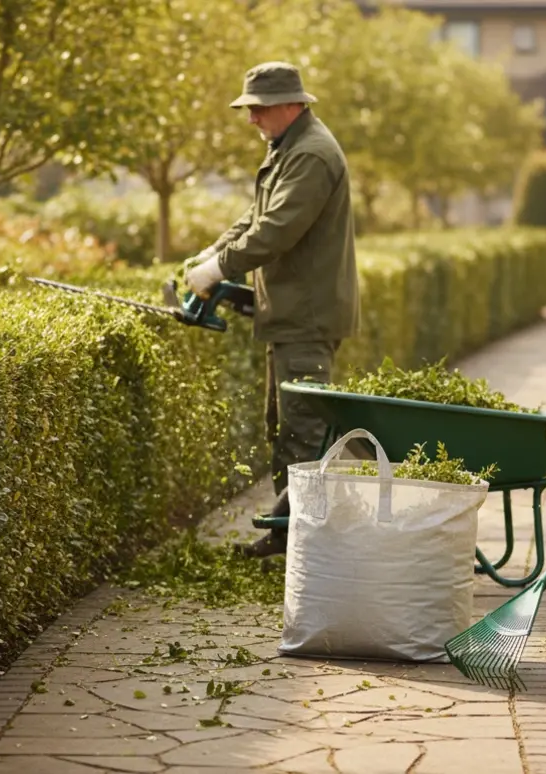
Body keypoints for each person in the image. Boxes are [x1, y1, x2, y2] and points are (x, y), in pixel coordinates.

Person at [184, 61, 360, 558]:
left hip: (306, 314)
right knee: (282, 427)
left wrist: (219, 268)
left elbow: (278, 228)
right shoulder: (289, 149)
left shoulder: (311, 155)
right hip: (290, 313)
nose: (251, 119)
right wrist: (214, 254)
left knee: (302, 434)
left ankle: (307, 547)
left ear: (291, 103)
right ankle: (288, 537)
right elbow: (255, 217)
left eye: (259, 109)